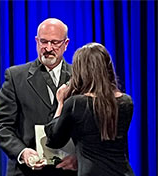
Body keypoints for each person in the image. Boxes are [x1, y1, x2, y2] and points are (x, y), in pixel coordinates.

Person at [0, 18, 77, 176]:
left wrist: (79, 158)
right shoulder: (16, 76)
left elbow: (93, 128)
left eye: (55, 42)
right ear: (36, 41)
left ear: (66, 44)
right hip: (26, 172)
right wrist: (23, 152)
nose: (48, 48)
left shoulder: (80, 77)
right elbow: (1, 126)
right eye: (43, 42)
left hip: (69, 171)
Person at [44, 42, 135, 176]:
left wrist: (61, 103)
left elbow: (54, 140)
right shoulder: (126, 102)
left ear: (81, 71)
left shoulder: (76, 104)